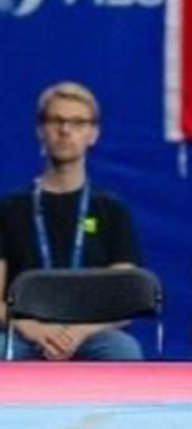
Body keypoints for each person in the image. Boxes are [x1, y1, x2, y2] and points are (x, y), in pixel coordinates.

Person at [0, 82, 143, 361]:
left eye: (77, 122)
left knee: (123, 349)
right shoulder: (9, 209)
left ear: (93, 133)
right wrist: (32, 329)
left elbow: (124, 301)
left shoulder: (111, 210)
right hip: (26, 333)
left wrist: (78, 332)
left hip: (91, 334)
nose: (65, 130)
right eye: (56, 120)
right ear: (40, 130)